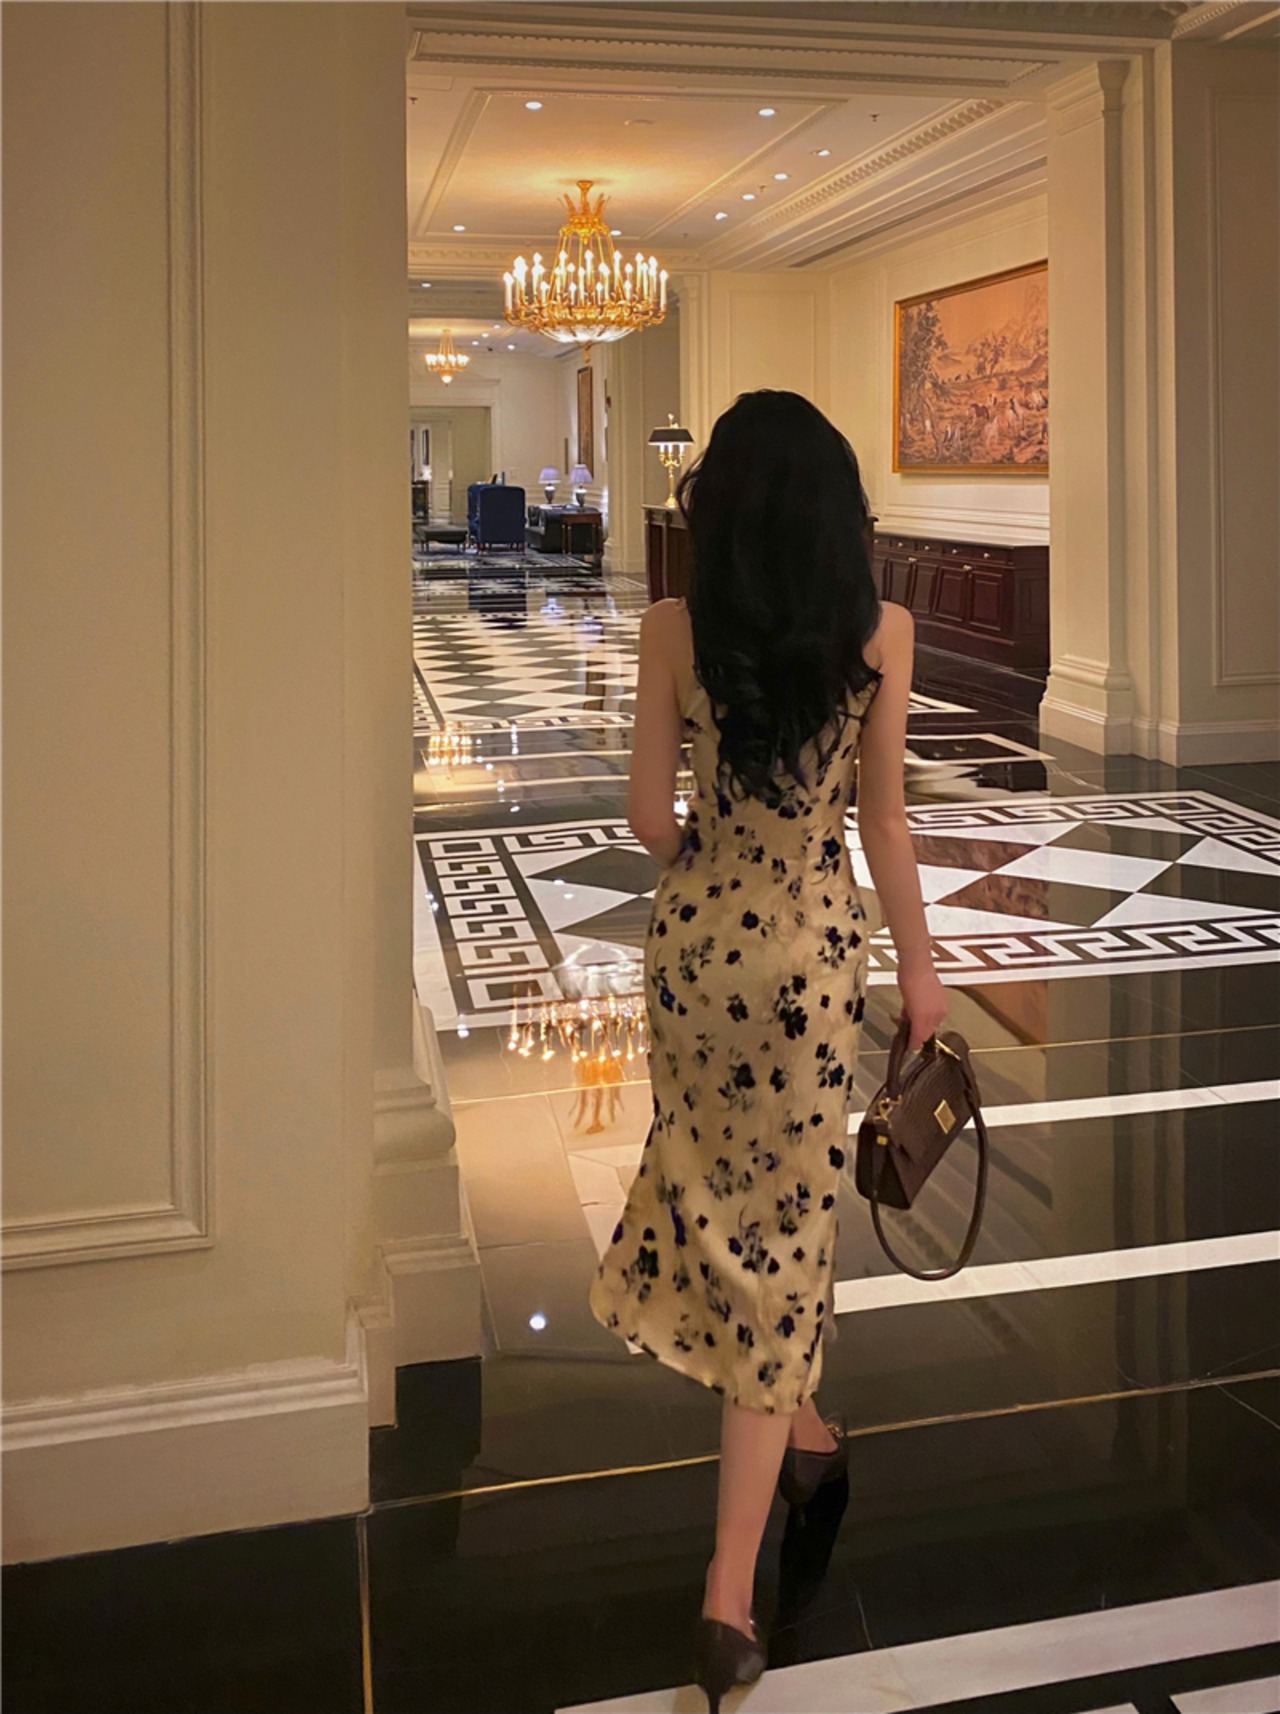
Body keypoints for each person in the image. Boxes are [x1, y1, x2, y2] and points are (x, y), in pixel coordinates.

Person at [588, 389, 947, 1710]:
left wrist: (710, 861)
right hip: (807, 959)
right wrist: (922, 968)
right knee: (784, 1231)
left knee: (727, 1192)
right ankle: (728, 1594)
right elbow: (885, 822)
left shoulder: (672, 628)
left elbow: (646, 813)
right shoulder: (882, 634)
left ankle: (806, 1435)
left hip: (694, 954)